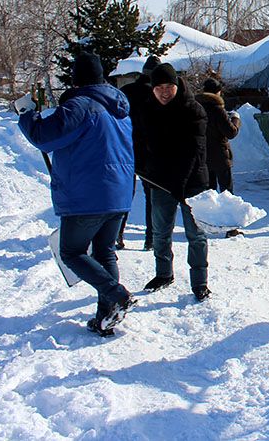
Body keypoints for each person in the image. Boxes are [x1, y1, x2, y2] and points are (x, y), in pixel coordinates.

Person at [16, 52, 136, 336]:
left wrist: (27, 115)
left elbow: (45, 137)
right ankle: (106, 315)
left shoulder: (82, 105)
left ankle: (116, 294)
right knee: (104, 252)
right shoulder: (120, 109)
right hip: (118, 194)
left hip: (87, 195)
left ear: (76, 78)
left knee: (71, 252)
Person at [136, 63, 212, 301]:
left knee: (196, 235)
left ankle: (199, 282)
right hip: (160, 183)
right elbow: (139, 142)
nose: (164, 92)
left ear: (177, 85)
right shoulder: (147, 110)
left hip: (193, 183)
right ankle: (163, 274)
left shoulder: (193, 110)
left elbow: (193, 151)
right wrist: (140, 167)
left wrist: (180, 184)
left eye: (169, 86)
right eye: (159, 88)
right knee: (160, 232)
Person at [118, 55, 160, 250]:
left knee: (124, 195)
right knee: (151, 197)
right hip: (149, 152)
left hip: (125, 149)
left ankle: (117, 235)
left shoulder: (125, 91)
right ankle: (150, 238)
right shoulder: (155, 95)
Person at [196, 77, 241, 194]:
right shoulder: (217, 109)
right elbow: (231, 133)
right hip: (221, 157)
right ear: (218, 92)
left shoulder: (195, 108)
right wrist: (235, 119)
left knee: (209, 193)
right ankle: (228, 212)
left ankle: (210, 212)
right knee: (227, 193)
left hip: (203, 156)